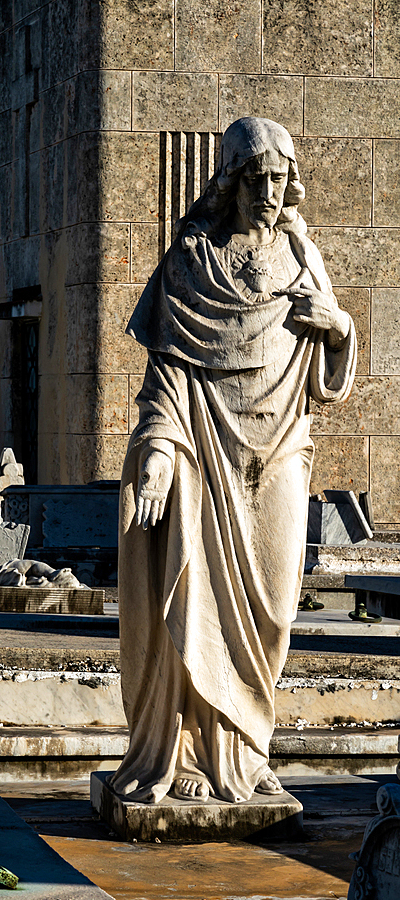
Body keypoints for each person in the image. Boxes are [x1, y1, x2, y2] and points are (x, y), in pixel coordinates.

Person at [111, 117, 356, 805]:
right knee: (192, 598)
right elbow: (169, 374)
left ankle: (247, 755)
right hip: (202, 451)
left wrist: (336, 328)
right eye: (254, 178)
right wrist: (157, 451)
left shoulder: (303, 256)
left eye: (278, 179)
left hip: (280, 452)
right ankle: (186, 753)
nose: (268, 192)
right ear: (228, 180)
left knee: (271, 606)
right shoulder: (192, 260)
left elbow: (332, 361)